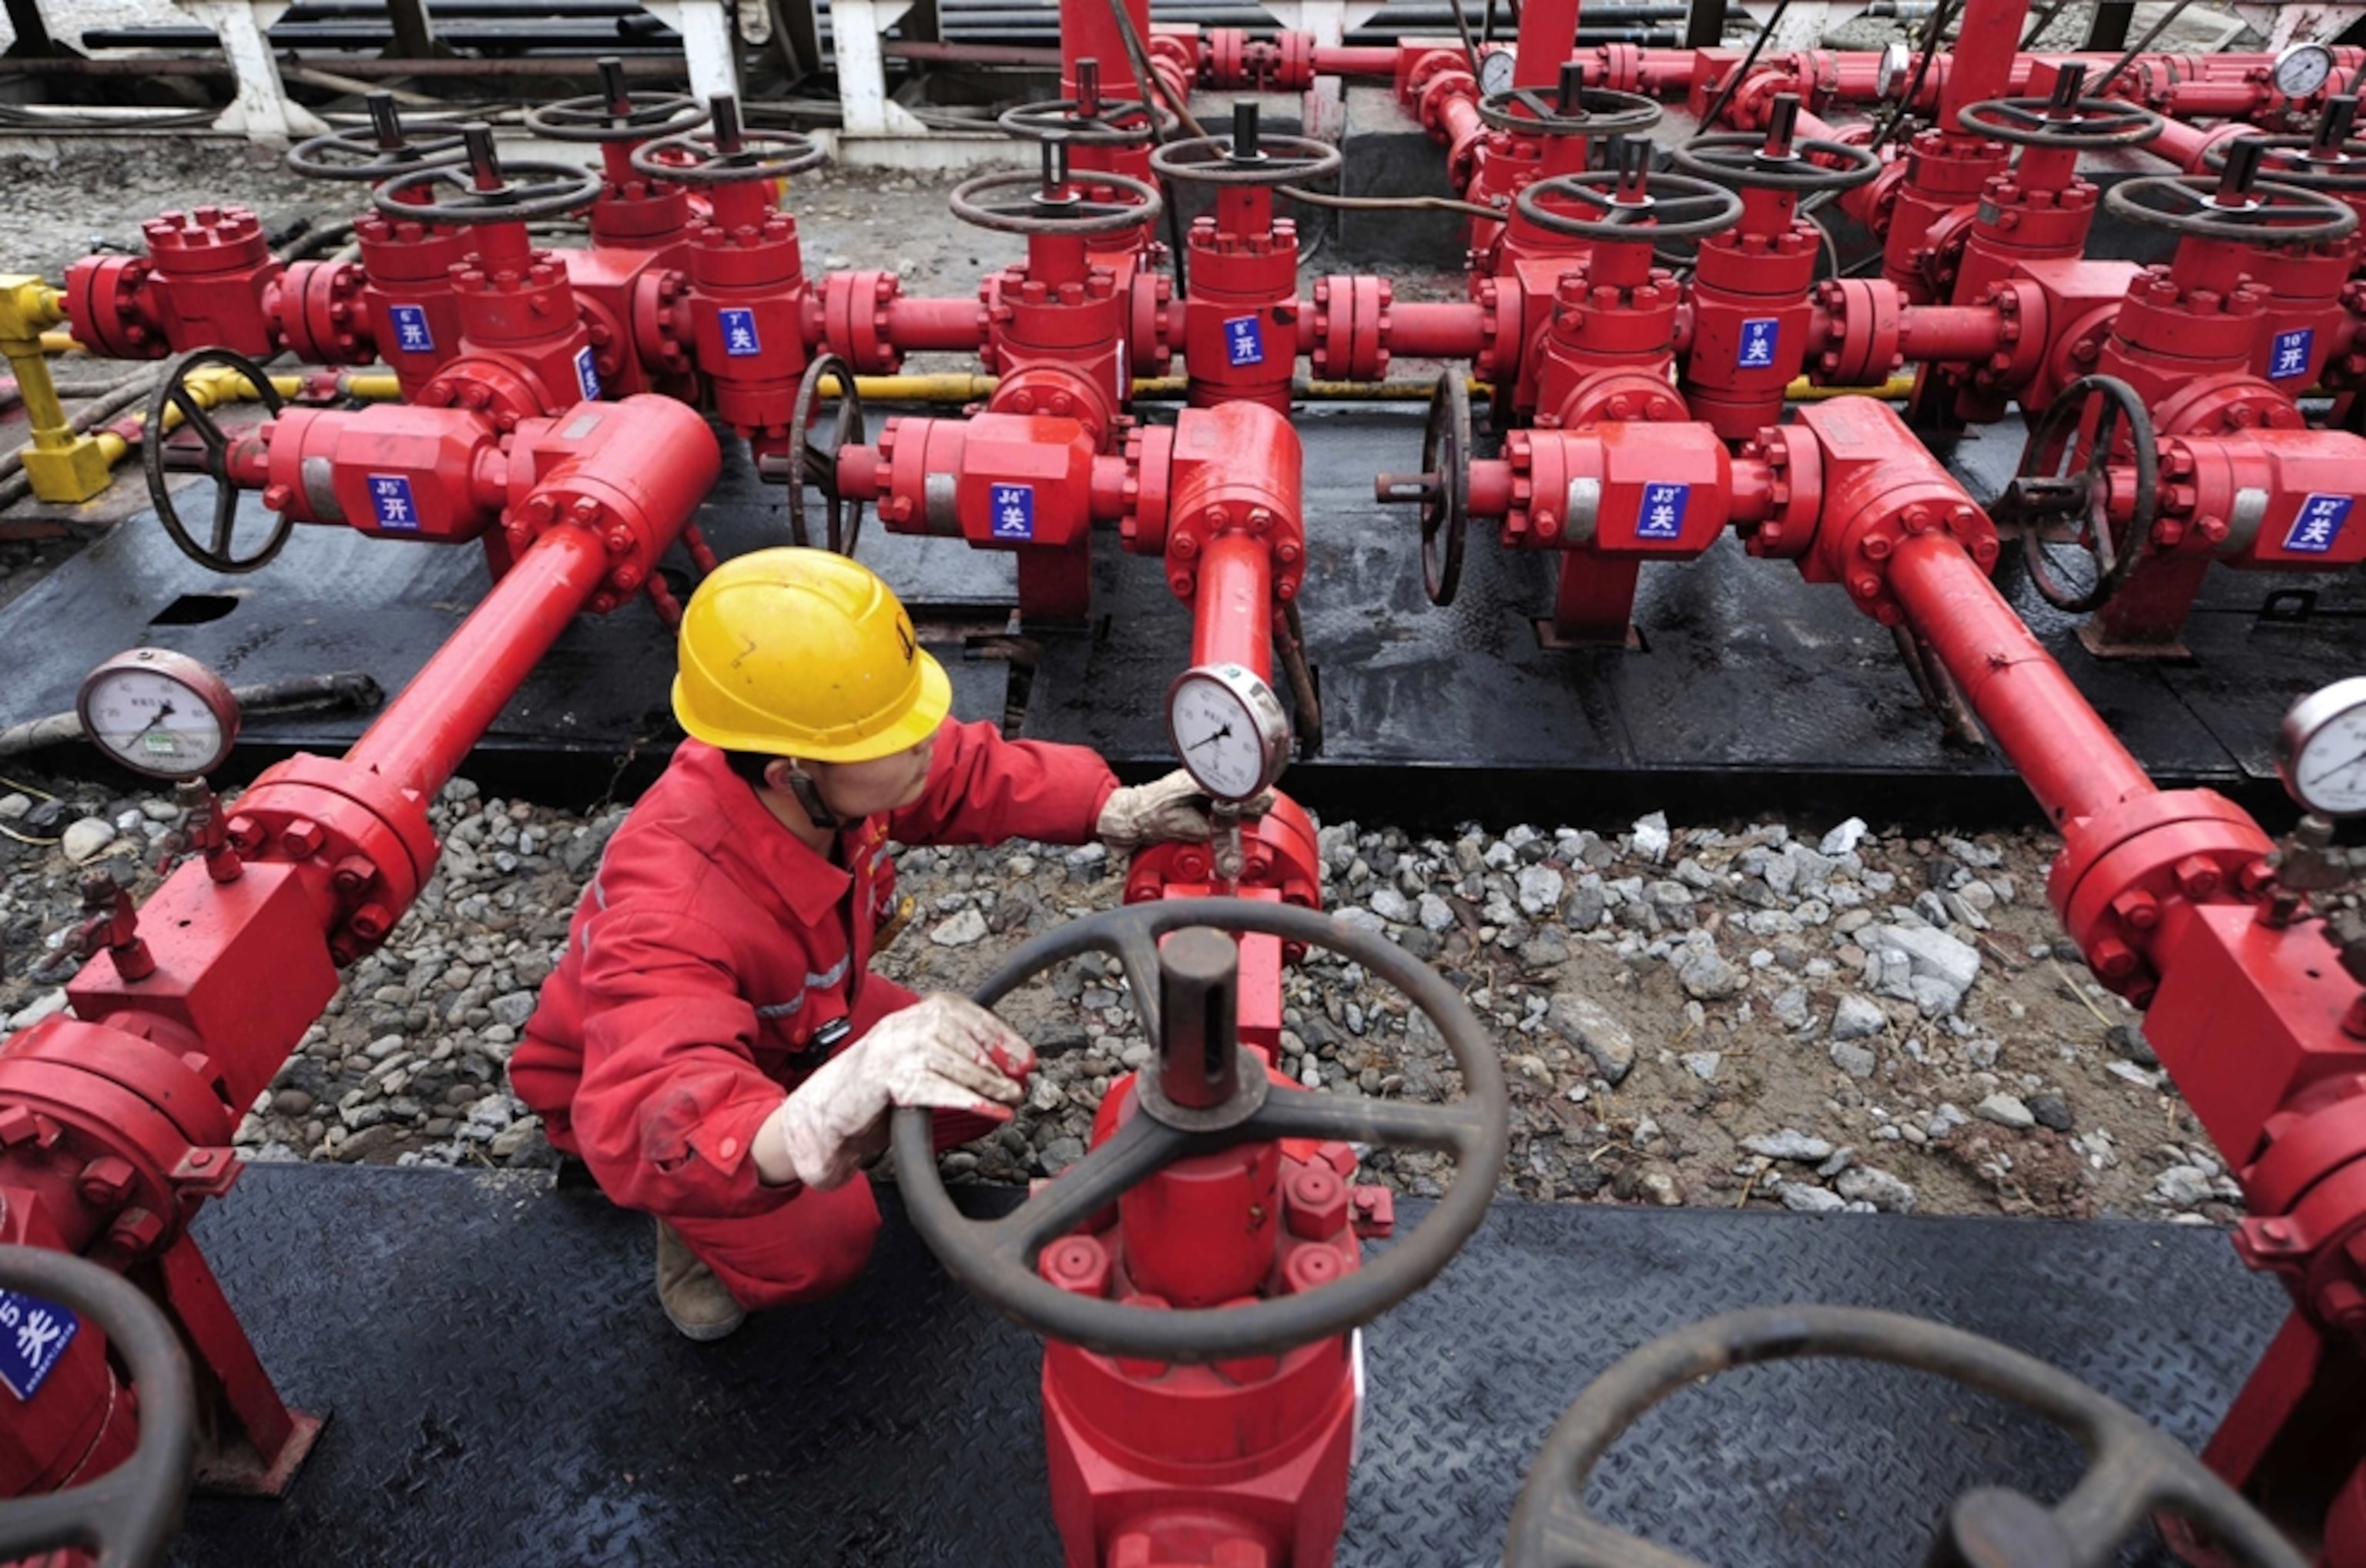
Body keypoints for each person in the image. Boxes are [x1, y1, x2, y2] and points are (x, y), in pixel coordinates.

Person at [511, 548, 1224, 1340]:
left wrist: (1112, 808)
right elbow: (652, 1101)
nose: (926, 743)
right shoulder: (670, 907)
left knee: (986, 1080)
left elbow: (961, 770)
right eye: (898, 735)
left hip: (805, 1019)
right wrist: (799, 1127)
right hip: (682, 1101)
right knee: (831, 1240)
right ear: (792, 771)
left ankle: (811, 1147)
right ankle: (696, 1232)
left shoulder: (831, 778)